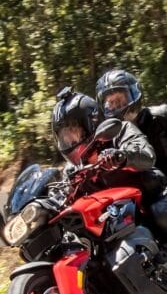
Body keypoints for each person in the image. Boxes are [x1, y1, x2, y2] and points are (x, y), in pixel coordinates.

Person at [51, 87, 167, 235]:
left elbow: (147, 155)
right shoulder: (73, 170)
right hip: (115, 220)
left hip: (148, 198)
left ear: (91, 122)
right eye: (65, 138)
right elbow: (65, 195)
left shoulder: (120, 131)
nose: (71, 141)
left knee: (162, 212)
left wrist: (122, 156)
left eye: (74, 132)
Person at [95, 69, 167, 176]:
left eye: (119, 100)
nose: (115, 106)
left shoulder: (160, 116)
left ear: (134, 94)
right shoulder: (109, 138)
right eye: (110, 103)